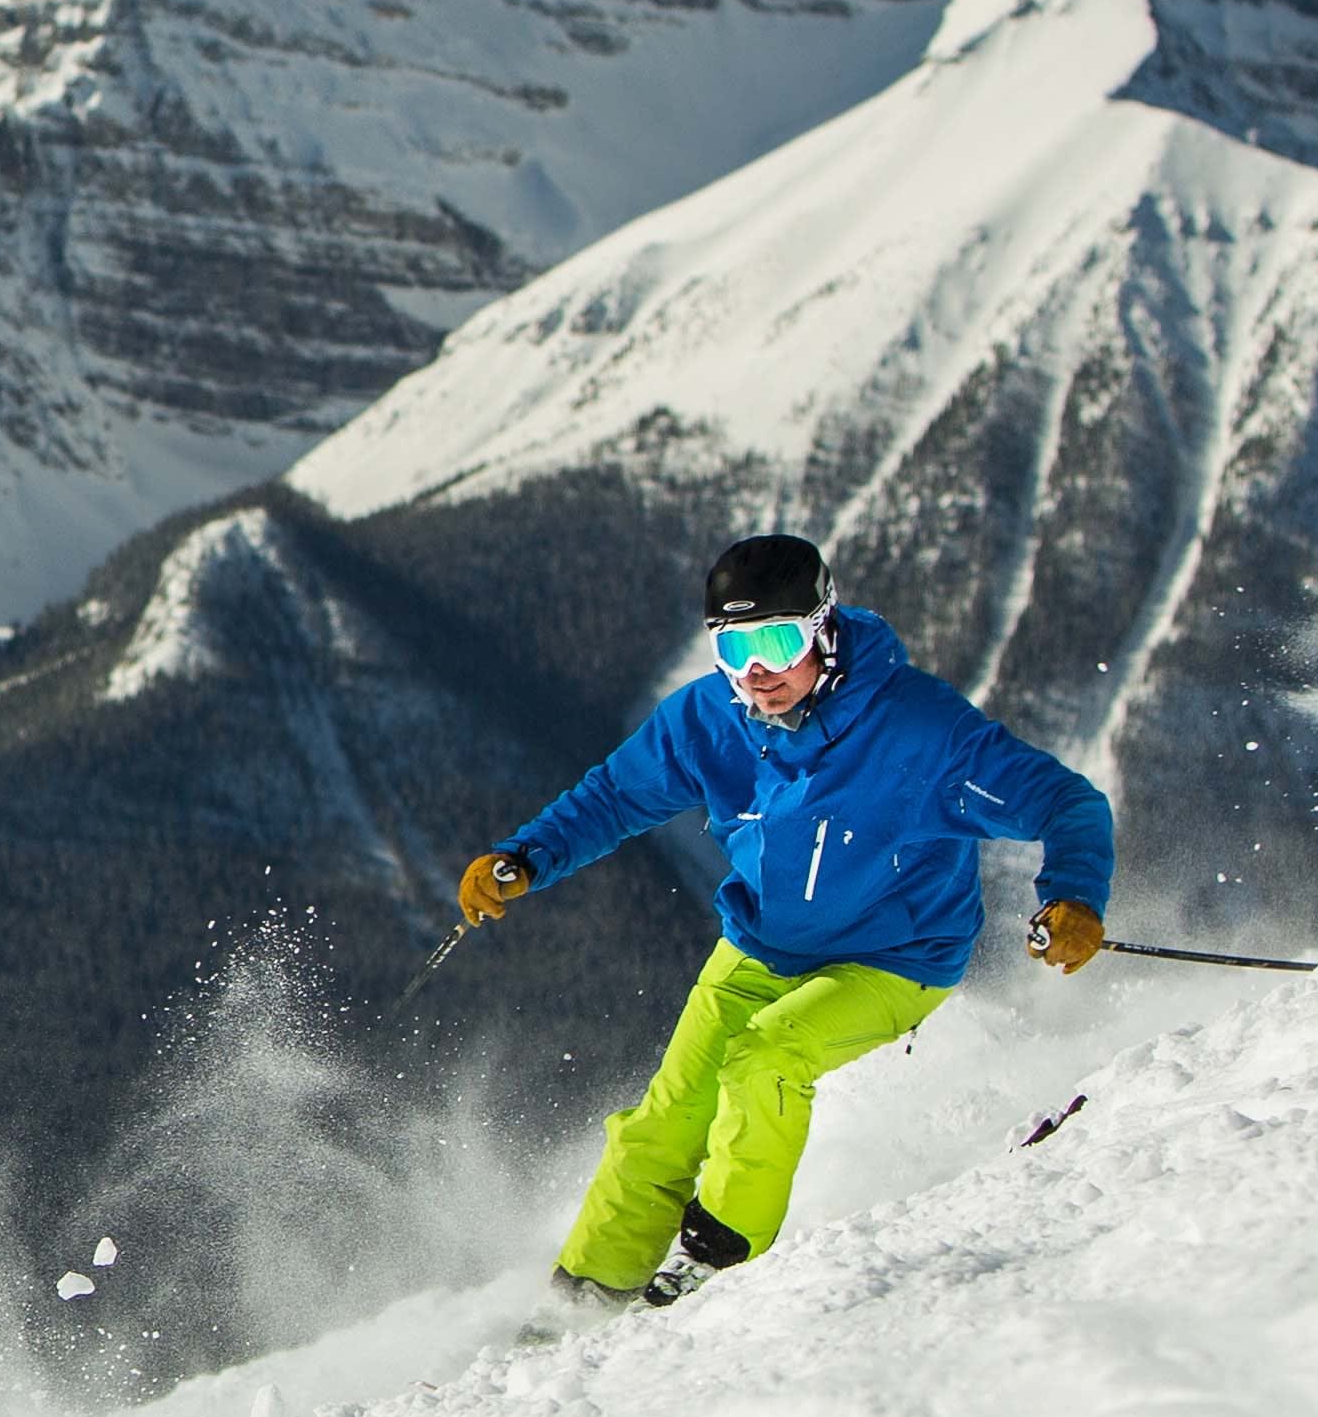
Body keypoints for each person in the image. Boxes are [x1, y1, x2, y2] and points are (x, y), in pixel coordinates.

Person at [451, 535, 1112, 1314]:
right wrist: (526, 857)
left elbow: (1069, 802)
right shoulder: (711, 717)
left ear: (824, 630)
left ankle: (717, 1260)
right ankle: (582, 1301)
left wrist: (1073, 894)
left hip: (894, 957)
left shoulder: (919, 732)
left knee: (768, 1057)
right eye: (733, 646)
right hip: (763, 945)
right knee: (663, 1123)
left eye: (777, 640)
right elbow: (614, 796)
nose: (756, 671)